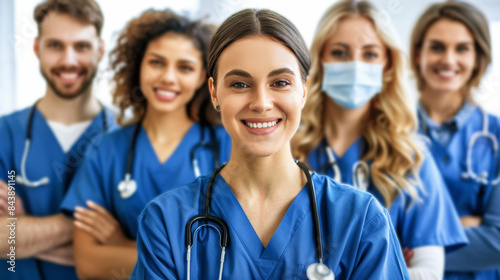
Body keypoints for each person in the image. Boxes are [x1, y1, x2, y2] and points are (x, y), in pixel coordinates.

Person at [131, 8, 409, 280]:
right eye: (240, 84)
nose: (261, 103)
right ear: (215, 93)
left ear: (303, 91)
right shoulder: (166, 221)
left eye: (280, 82)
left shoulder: (361, 221)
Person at [291, 1, 468, 279]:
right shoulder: (288, 149)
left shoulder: (410, 159)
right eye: (340, 52)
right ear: (320, 62)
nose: (355, 65)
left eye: (370, 54)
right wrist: (389, 265)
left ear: (387, 65)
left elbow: (431, 272)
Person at [59, 9, 231, 279]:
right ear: (138, 66)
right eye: (157, 63)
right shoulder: (106, 150)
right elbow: (88, 263)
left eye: (184, 67)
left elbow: (234, 260)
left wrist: (122, 245)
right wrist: (190, 262)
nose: (168, 77)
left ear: (202, 77)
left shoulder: (227, 147)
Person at [0, 1, 114, 279]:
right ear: (37, 47)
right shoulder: (5, 134)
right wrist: (87, 233)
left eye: (82, 46)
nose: (69, 60)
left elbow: (140, 246)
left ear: (100, 49)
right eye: (55, 45)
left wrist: (25, 230)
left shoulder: (127, 138)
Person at [410, 2, 500, 279]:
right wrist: (463, 227)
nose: (448, 60)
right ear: (418, 54)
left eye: (462, 48)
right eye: (437, 47)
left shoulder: (495, 135)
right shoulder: (386, 132)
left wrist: (417, 243)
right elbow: (372, 226)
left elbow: (496, 242)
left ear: (478, 57)